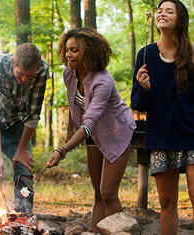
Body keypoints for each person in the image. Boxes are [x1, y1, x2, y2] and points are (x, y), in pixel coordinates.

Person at [47, 27, 136, 233]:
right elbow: (74, 105)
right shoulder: (69, 72)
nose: (69, 54)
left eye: (75, 50)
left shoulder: (102, 81)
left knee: (108, 193)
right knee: (97, 193)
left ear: (89, 51)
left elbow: (89, 122)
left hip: (117, 133)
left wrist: (62, 150)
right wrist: (69, 132)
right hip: (94, 135)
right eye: (67, 50)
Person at [131, 1, 194, 234]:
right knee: (167, 203)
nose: (162, 13)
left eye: (169, 10)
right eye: (159, 10)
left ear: (181, 19)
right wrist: (144, 88)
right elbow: (137, 104)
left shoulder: (192, 53)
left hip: (191, 134)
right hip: (161, 136)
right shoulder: (145, 54)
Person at [0, 43, 48, 214]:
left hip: (16, 121)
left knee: (24, 168)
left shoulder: (42, 69)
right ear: (13, 63)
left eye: (29, 76)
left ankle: (23, 219)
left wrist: (22, 149)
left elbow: (33, 114)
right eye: (20, 75)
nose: (24, 81)